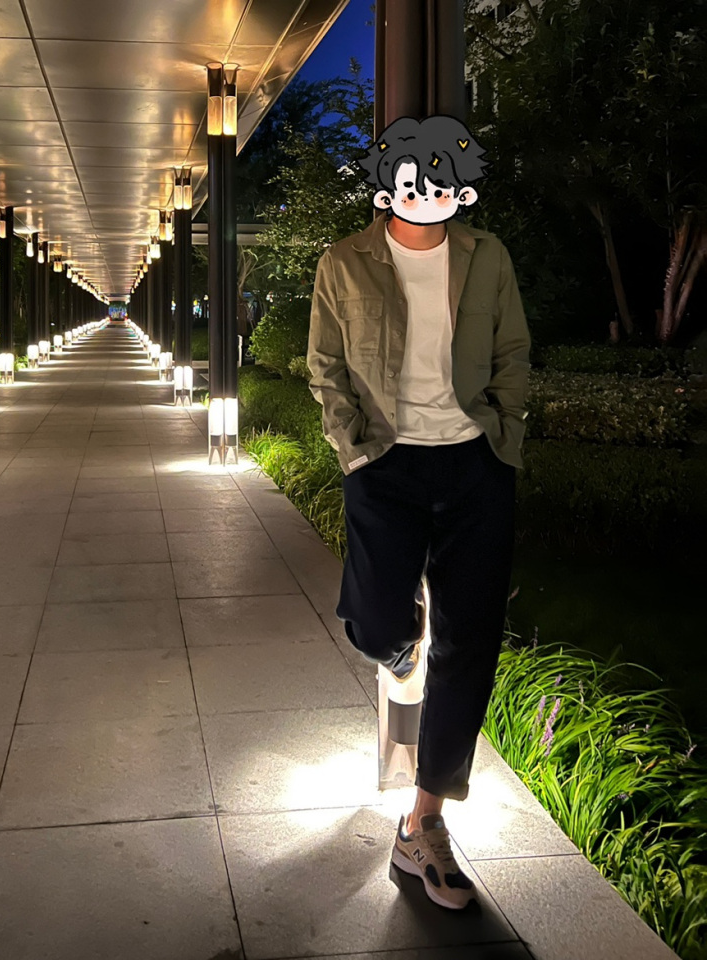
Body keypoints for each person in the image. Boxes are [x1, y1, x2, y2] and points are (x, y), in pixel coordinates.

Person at [307, 115, 531, 910]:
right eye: (411, 180)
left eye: (442, 183)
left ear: (461, 193)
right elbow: (325, 365)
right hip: (386, 463)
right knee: (375, 624)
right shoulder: (344, 261)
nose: (425, 193)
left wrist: (504, 433)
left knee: (470, 641)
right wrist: (353, 449)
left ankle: (424, 822)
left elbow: (512, 352)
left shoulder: (487, 256)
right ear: (386, 185)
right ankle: (400, 654)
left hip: (475, 463)